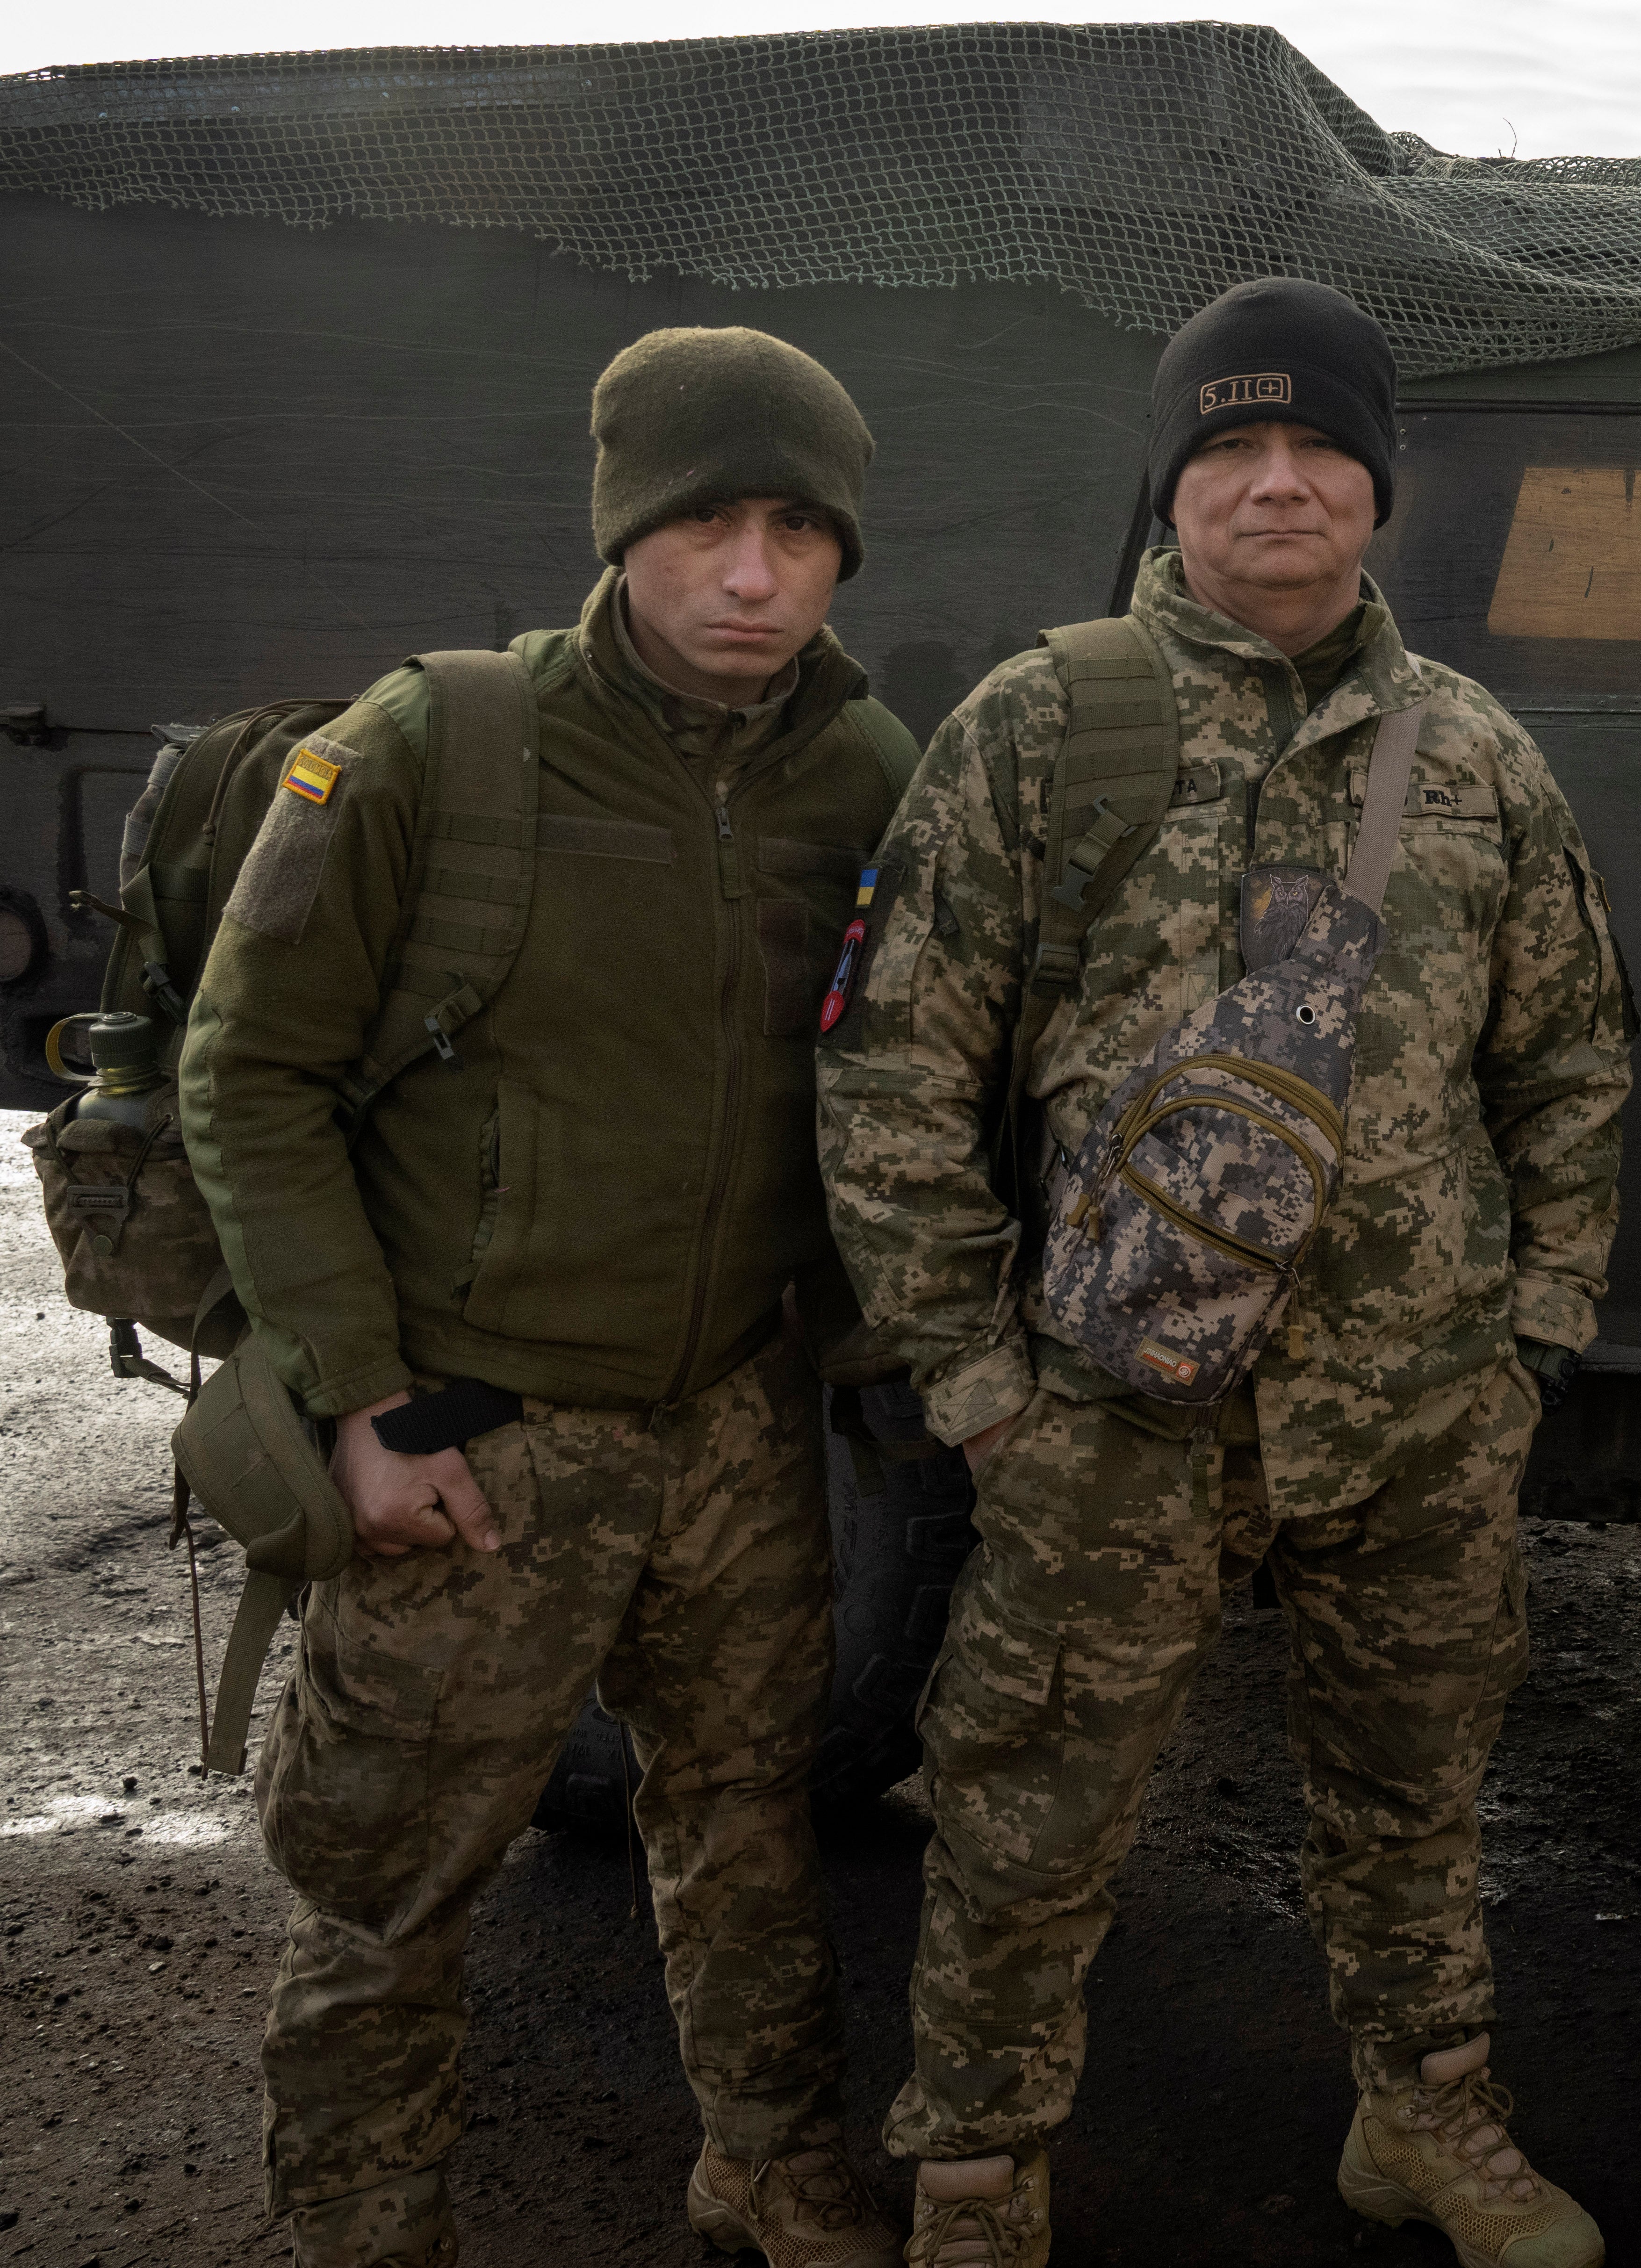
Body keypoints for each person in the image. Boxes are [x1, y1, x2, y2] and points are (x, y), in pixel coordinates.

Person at [816, 276, 1634, 2268]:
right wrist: (972, 1377)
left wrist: (1531, 1338)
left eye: (1318, 452)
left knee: (1413, 1793)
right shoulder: (1044, 721)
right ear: (1173, 484)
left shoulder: (1473, 757)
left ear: (1378, 486)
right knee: (1027, 1814)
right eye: (1229, 452)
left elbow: (1572, 1059)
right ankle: (982, 2172)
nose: (1277, 486)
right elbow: (894, 1065)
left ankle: (1427, 2117)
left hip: (1415, 1404)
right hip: (1107, 1409)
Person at [181, 327, 915, 2268]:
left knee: (749, 1818)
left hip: (737, 1424)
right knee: (387, 1883)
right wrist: (353, 1389)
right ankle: (365, 2228)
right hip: (474, 1432)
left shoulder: (867, 766)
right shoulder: (441, 745)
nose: (749, 574)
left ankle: (767, 2157)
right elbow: (246, 1076)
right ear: (622, 531)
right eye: (701, 524)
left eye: (793, 529)